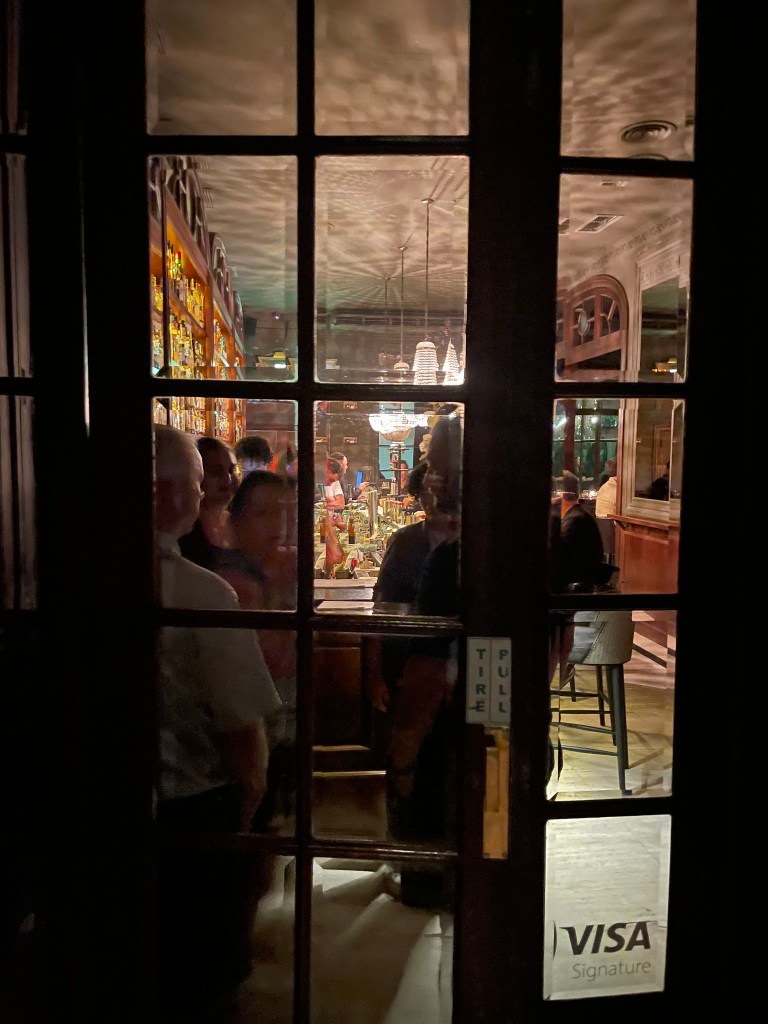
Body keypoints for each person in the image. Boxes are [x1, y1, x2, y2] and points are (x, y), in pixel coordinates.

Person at [152, 424, 282, 1020]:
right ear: (173, 496)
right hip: (195, 810)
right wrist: (249, 808)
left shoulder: (66, 581)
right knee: (204, 978)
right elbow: (242, 731)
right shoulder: (202, 592)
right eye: (197, 481)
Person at [178, 436, 238, 570]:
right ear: (196, 476)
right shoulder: (184, 531)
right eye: (216, 471)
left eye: (231, 470)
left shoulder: (240, 521)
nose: (228, 479)